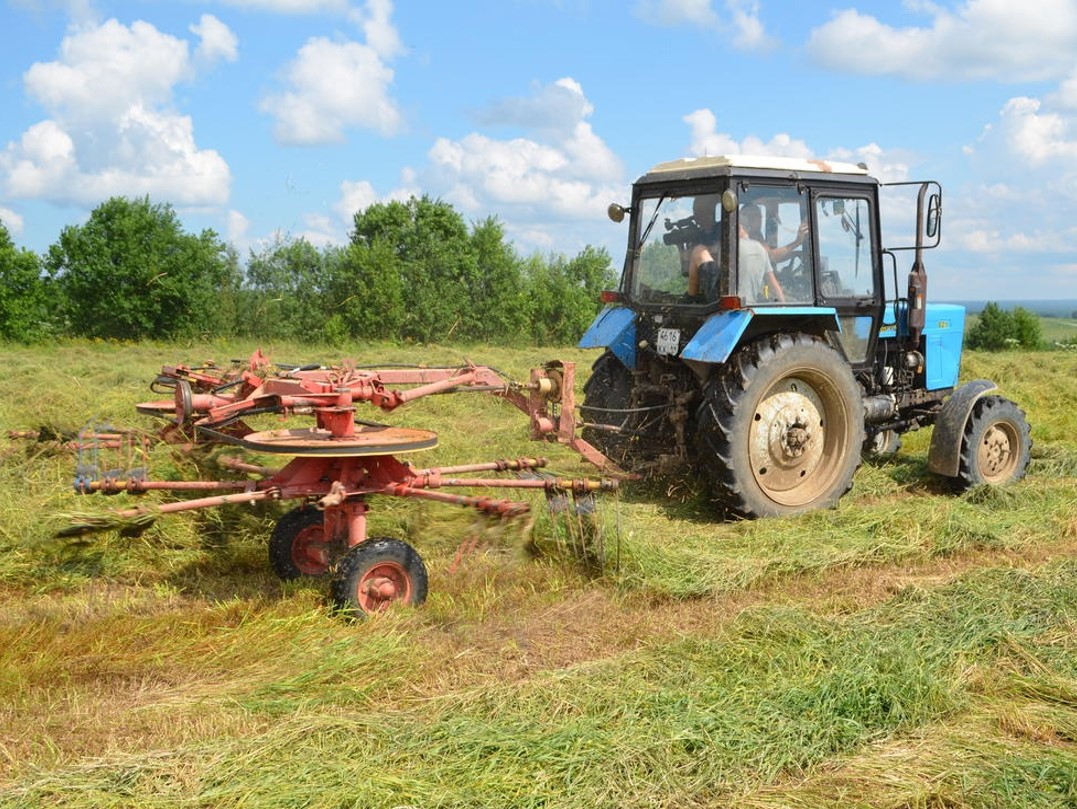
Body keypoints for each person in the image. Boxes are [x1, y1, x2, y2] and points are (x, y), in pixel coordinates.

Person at [687, 195, 721, 300]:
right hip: (702, 287)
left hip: (719, 286)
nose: (696, 215)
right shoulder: (696, 235)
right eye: (695, 211)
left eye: (700, 211)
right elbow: (687, 270)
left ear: (711, 211)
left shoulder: (724, 229)